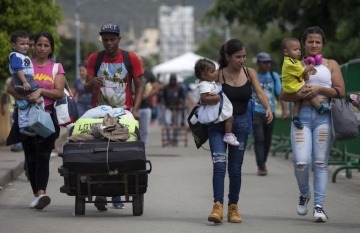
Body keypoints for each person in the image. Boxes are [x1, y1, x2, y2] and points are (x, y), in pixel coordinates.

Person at [280, 26, 345, 223]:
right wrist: (299, 94)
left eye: (318, 41)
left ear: (323, 44)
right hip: (303, 117)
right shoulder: (293, 63)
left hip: (324, 116)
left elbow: (340, 91)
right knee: (301, 162)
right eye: (310, 41)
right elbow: (283, 93)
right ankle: (304, 193)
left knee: (319, 163)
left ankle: (319, 206)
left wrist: (318, 88)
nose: (314, 45)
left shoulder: (331, 64)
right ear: (303, 44)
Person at [206, 39, 273, 224]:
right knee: (219, 166)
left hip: (241, 124)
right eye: (238, 57)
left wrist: (267, 108)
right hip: (218, 126)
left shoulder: (249, 72)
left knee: (235, 169)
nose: (242, 60)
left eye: (244, 56)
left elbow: (259, 92)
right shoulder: (218, 75)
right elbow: (204, 94)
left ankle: (233, 207)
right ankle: (217, 206)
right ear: (227, 57)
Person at [84, 22, 144, 211]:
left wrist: (135, 109)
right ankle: (101, 192)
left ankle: (117, 193)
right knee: (100, 154)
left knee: (120, 154)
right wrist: (91, 82)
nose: (109, 42)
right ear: (101, 39)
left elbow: (140, 85)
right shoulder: (95, 58)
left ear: (119, 39)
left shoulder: (130, 58)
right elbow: (85, 86)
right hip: (99, 112)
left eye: (112, 39)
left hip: (123, 112)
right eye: (105, 39)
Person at [7, 31, 66, 210]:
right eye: (38, 44)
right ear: (33, 47)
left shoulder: (56, 68)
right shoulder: (25, 64)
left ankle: (41, 193)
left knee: (43, 156)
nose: (41, 48)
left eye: (46, 45)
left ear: (50, 49)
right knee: (31, 158)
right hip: (26, 118)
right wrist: (26, 98)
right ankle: (37, 195)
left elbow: (59, 92)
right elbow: (10, 88)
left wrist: (40, 91)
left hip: (47, 118)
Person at [281, 37, 329, 130]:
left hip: (291, 85)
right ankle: (319, 108)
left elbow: (303, 75)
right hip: (292, 86)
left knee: (297, 101)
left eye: (299, 49)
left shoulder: (293, 61)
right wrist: (310, 66)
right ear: (286, 52)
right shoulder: (290, 63)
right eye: (295, 49)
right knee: (308, 90)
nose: (298, 51)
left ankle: (295, 117)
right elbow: (304, 72)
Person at [252, 52, 288, 176]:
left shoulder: (274, 76)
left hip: (269, 111)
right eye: (264, 62)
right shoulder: (253, 76)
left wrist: (284, 110)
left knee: (267, 139)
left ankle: (263, 161)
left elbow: (280, 94)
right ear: (258, 63)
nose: (267, 65)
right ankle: (261, 165)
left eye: (269, 62)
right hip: (255, 111)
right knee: (259, 138)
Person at [194, 58, 239, 146]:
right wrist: (216, 97)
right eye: (212, 72)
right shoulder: (204, 85)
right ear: (203, 75)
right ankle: (228, 135)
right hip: (213, 109)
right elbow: (203, 99)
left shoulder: (210, 82)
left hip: (215, 107)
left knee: (229, 117)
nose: (215, 73)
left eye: (215, 70)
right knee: (229, 118)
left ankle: (228, 135)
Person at [9, 30, 40, 137]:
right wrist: (25, 82)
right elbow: (18, 69)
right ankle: (24, 126)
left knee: (25, 104)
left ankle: (27, 124)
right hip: (23, 83)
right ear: (14, 45)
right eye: (22, 44)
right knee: (35, 96)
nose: (26, 46)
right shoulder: (15, 56)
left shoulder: (23, 55)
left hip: (26, 81)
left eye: (27, 44)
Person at [138, 57, 159, 148]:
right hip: (133, 106)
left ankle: (143, 150)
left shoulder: (148, 74)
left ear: (142, 62)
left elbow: (156, 88)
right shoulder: (131, 73)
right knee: (133, 130)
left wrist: (147, 95)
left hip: (145, 107)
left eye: (139, 61)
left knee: (144, 131)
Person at [161, 74, 185, 145]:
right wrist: (164, 104)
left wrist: (181, 103)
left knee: (177, 123)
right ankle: (169, 139)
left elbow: (183, 97)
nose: (173, 81)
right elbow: (163, 97)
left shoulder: (179, 87)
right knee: (168, 122)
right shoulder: (166, 87)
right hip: (168, 107)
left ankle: (175, 139)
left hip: (178, 108)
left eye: (174, 80)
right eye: (171, 80)